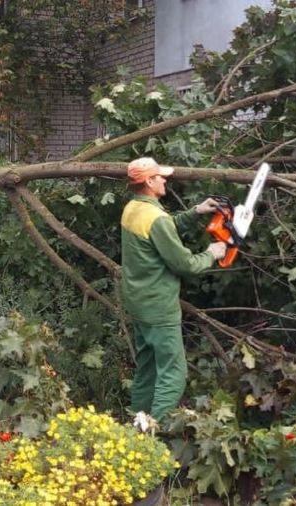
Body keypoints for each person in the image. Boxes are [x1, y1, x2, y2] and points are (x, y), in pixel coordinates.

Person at [120, 157, 227, 424]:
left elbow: (163, 230)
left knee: (147, 370)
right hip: (159, 307)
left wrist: (196, 212)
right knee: (172, 373)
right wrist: (212, 253)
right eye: (160, 176)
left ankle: (137, 425)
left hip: (138, 302)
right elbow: (186, 264)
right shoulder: (155, 217)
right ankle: (155, 434)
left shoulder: (133, 208)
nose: (165, 179)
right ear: (148, 181)